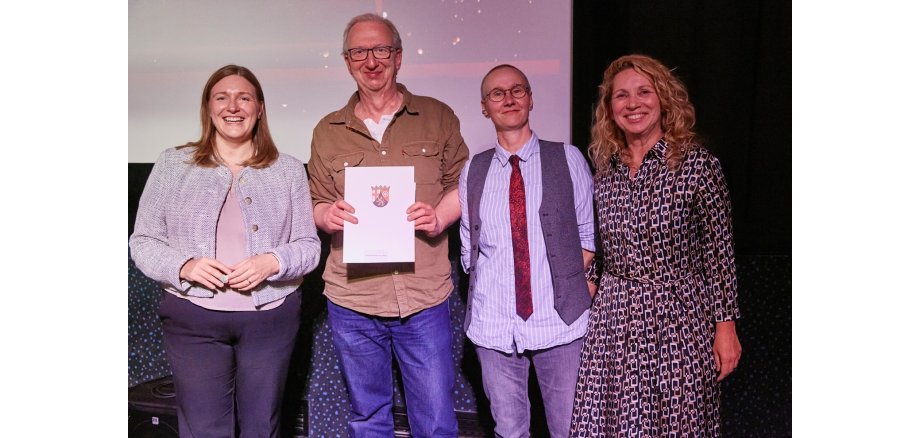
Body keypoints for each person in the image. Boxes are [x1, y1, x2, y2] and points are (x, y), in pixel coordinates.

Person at [129, 64, 321, 437]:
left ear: (260, 108)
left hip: (271, 318)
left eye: (244, 97)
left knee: (261, 428)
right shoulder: (173, 163)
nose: (233, 106)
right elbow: (143, 241)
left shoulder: (289, 170)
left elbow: (309, 248)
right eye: (222, 97)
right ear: (208, 108)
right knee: (203, 429)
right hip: (193, 319)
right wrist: (183, 265)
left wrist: (273, 261)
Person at [306, 13, 469, 437]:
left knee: (435, 420)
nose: (371, 60)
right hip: (352, 297)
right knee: (368, 418)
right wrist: (327, 215)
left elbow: (463, 185)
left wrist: (440, 217)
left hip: (423, 294)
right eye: (359, 51)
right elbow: (316, 200)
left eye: (380, 49)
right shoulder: (327, 131)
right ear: (347, 60)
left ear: (398, 57)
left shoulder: (437, 116)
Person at [569, 54, 743, 437]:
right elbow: (603, 244)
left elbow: (720, 252)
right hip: (615, 319)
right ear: (609, 109)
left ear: (663, 98)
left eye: (644, 92)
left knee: (681, 422)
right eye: (621, 96)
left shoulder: (697, 165)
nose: (633, 103)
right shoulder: (605, 171)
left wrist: (725, 328)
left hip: (679, 317)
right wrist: (588, 282)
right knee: (615, 423)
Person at [459, 64, 595, 438]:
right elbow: (470, 250)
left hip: (560, 323)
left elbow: (588, 236)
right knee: (509, 431)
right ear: (485, 107)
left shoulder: (568, 159)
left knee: (569, 429)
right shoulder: (473, 169)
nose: (509, 99)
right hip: (495, 327)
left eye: (518, 90)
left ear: (531, 99)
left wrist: (566, 286)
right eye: (497, 94)